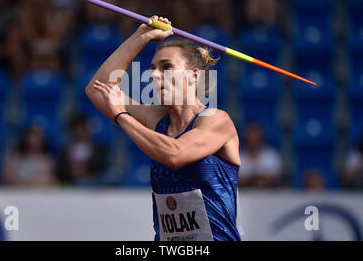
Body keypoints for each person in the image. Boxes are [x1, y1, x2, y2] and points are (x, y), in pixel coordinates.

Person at [85, 16, 241, 241]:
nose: (155, 75)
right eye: (152, 69)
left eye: (166, 67)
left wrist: (122, 115)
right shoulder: (156, 118)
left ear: (193, 75)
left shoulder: (215, 119)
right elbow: (98, 89)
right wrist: (140, 37)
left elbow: (175, 154)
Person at [238, 122, 282, 188]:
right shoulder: (238, 156)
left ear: (261, 138)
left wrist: (256, 179)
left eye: (255, 140)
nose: (253, 143)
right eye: (250, 140)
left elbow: (275, 177)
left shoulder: (271, 155)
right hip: (245, 194)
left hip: (269, 194)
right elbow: (237, 179)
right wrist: (253, 180)